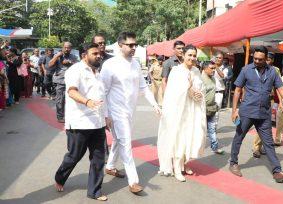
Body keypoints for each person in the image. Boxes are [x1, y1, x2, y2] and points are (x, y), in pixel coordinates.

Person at [101, 32, 161, 194]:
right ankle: (133, 181)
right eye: (130, 45)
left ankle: (110, 166)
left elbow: (143, 87)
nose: (134, 47)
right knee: (126, 143)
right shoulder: (109, 65)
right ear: (120, 45)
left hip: (130, 112)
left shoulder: (135, 63)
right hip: (115, 112)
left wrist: (155, 105)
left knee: (119, 140)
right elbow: (103, 91)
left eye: (135, 45)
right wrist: (106, 115)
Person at [229, 46, 283, 183]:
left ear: (266, 59)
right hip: (247, 111)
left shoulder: (272, 72)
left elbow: (281, 89)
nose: (257, 61)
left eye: (260, 59)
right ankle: (233, 163)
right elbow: (237, 90)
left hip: (264, 113)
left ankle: (277, 171)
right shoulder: (246, 70)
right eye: (255, 58)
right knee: (239, 138)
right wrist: (234, 110)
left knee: (268, 143)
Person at [54, 43, 108, 201]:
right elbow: (71, 91)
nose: (99, 55)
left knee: (99, 157)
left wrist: (106, 116)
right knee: (74, 156)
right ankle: (60, 177)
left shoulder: (98, 73)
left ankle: (95, 191)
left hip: (97, 123)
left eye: (99, 53)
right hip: (79, 122)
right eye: (94, 53)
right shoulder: (75, 70)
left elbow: (102, 97)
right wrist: (87, 102)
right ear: (85, 55)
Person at [158, 44, 206, 182]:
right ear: (183, 56)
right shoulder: (176, 71)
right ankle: (176, 168)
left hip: (193, 111)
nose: (192, 58)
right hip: (179, 111)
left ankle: (184, 165)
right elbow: (173, 93)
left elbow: (200, 89)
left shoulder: (197, 71)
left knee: (190, 137)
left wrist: (197, 94)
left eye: (194, 55)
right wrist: (188, 89)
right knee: (179, 138)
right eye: (189, 55)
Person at [252, 52, 281, 158]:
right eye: (266, 59)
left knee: (266, 125)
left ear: (272, 60)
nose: (267, 61)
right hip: (258, 100)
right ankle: (256, 147)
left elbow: (279, 86)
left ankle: (261, 146)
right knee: (260, 123)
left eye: (269, 59)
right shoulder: (257, 68)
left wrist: (280, 101)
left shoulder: (275, 70)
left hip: (271, 100)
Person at [49, 42, 78, 123]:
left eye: (68, 48)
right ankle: (60, 116)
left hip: (71, 81)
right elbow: (50, 65)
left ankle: (70, 115)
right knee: (60, 100)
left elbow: (78, 66)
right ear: (62, 48)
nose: (66, 49)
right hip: (60, 81)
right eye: (65, 47)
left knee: (72, 100)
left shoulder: (74, 57)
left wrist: (69, 63)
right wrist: (57, 56)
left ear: (71, 49)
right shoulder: (57, 55)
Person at [201, 61, 224, 154]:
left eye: (214, 68)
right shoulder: (200, 79)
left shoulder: (214, 79)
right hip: (201, 110)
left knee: (212, 129)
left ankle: (215, 148)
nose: (214, 70)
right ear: (205, 68)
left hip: (211, 109)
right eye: (211, 68)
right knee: (199, 131)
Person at [213, 52, 231, 126]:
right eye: (216, 57)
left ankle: (214, 127)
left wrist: (216, 67)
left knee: (216, 112)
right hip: (208, 92)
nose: (217, 59)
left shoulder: (225, 68)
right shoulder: (210, 65)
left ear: (222, 60)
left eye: (220, 58)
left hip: (218, 93)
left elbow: (222, 76)